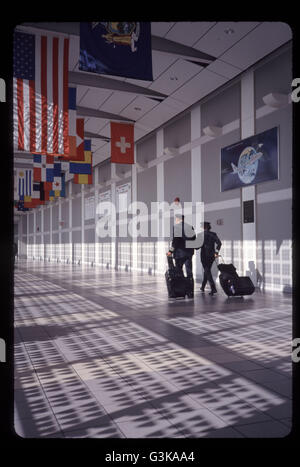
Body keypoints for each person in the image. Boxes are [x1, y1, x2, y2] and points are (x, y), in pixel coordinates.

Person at [167, 214, 196, 280]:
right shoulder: (190, 227)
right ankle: (190, 288)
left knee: (178, 270)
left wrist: (170, 251)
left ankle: (181, 286)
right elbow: (194, 239)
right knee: (189, 271)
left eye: (176, 219)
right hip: (189, 253)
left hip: (180, 254)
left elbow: (175, 241)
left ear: (178, 219)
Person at [200, 221, 222, 295]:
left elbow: (197, 247)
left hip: (204, 256)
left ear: (204, 227)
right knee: (207, 270)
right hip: (211, 256)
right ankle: (202, 286)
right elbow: (219, 243)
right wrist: (216, 252)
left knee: (207, 271)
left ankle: (213, 288)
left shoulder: (201, 235)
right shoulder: (213, 234)